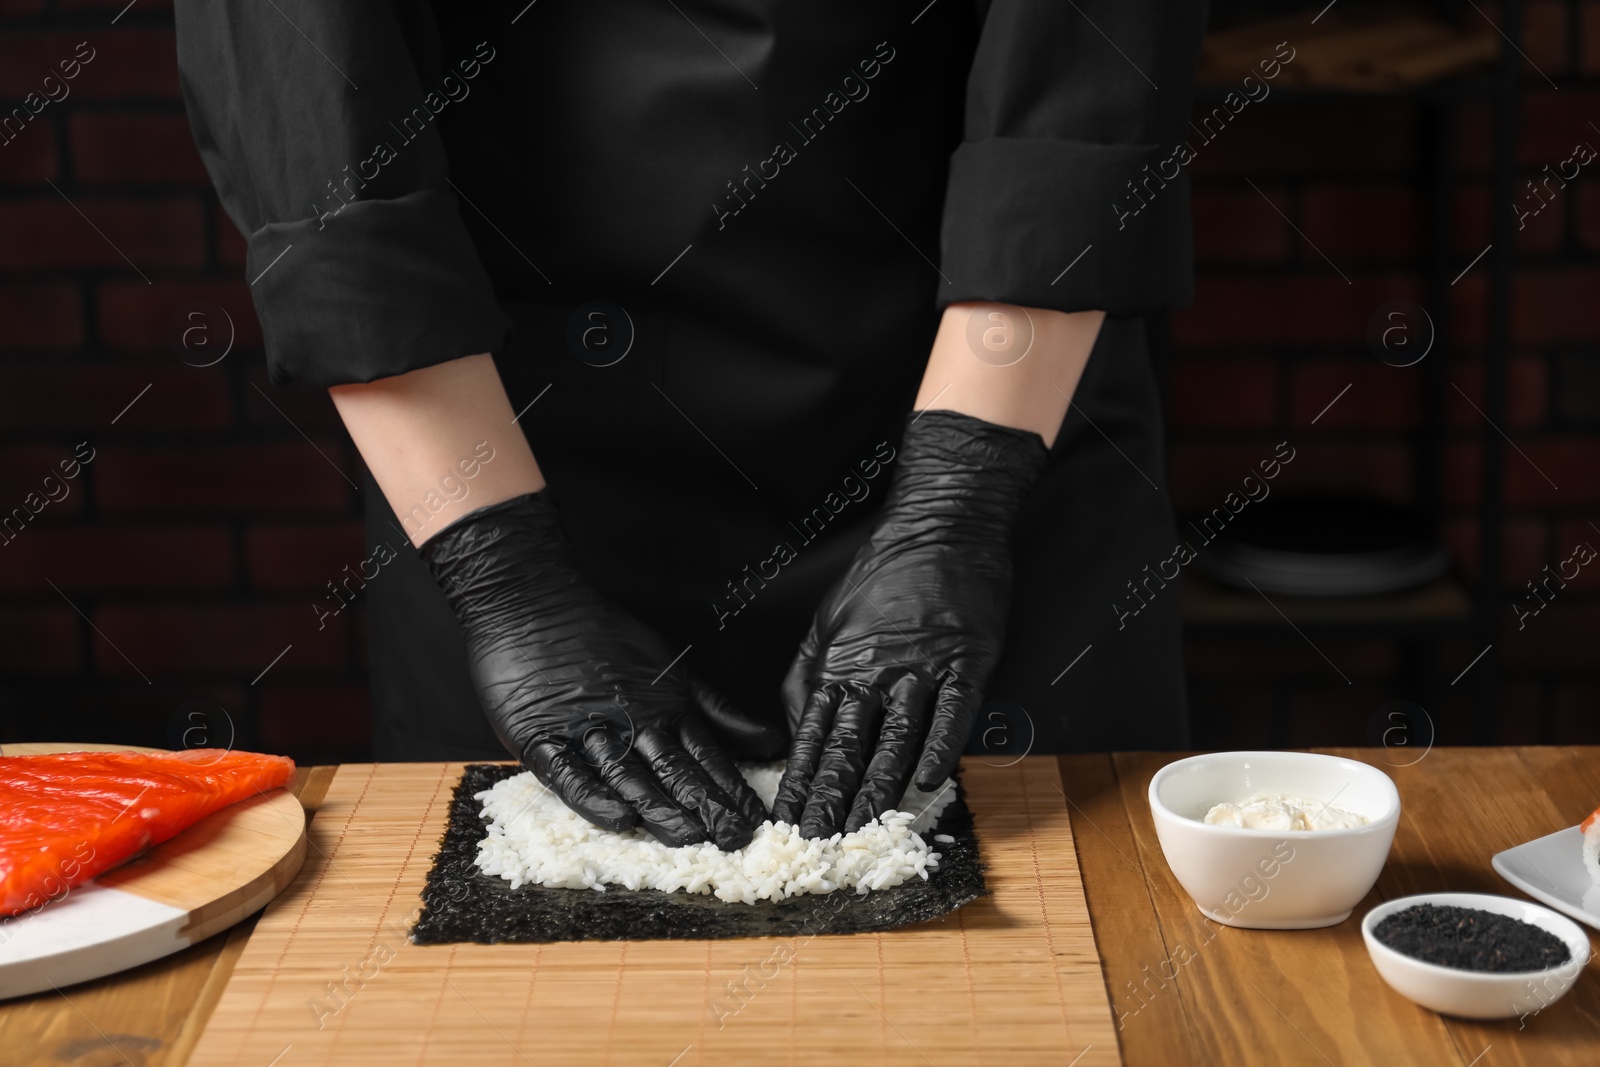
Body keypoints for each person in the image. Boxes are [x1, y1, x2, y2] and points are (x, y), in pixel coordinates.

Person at [175, 1, 1206, 850]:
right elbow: (306, 94)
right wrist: (507, 579)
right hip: (500, 448)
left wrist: (956, 501)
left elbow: (1087, 55)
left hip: (992, 381)